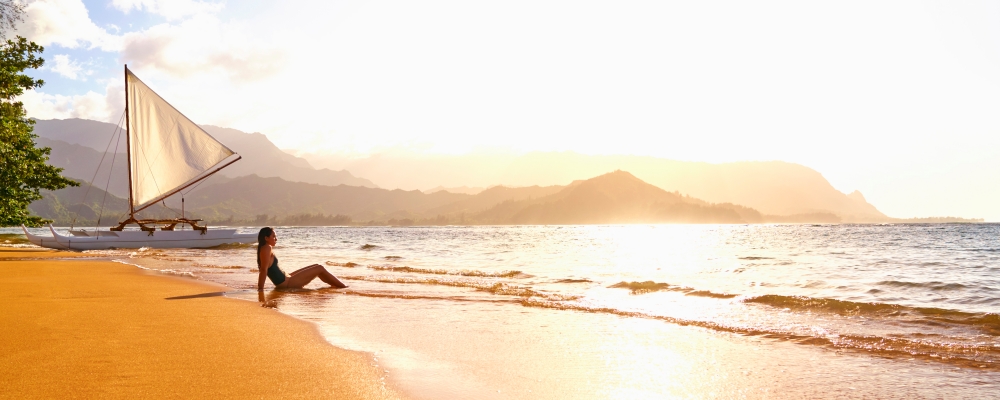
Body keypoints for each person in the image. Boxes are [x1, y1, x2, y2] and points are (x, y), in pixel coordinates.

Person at [256, 227, 348, 291]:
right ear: (266, 238)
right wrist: (260, 289)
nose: (276, 239)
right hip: (287, 284)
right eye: (274, 237)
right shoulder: (266, 248)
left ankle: (336, 286)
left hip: (288, 278)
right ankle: (343, 287)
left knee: (317, 266)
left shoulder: (264, 248)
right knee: (320, 268)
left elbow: (265, 269)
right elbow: (263, 270)